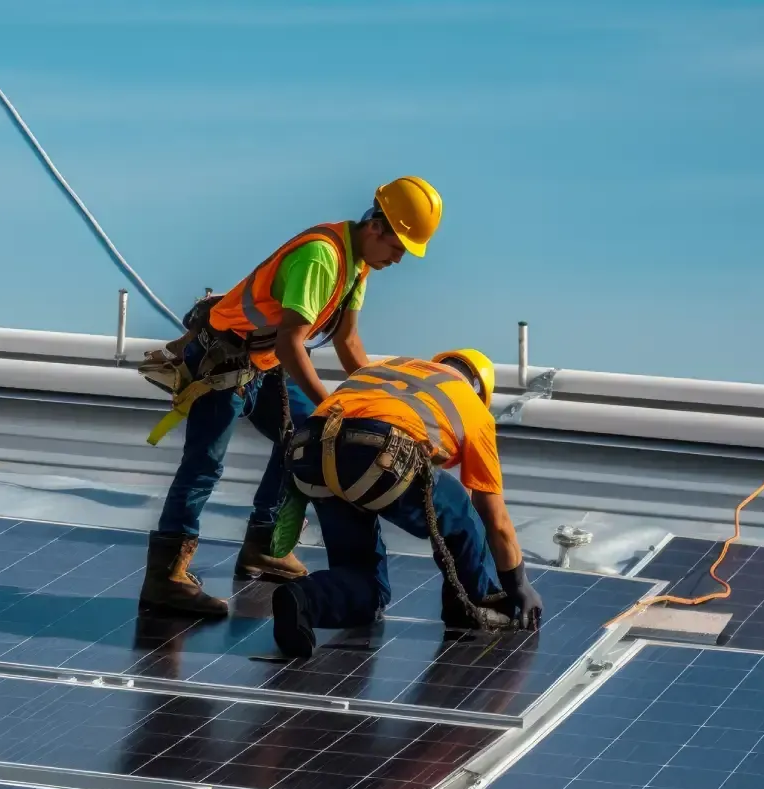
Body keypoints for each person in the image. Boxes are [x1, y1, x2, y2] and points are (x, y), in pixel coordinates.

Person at [138, 176, 445, 619]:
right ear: (377, 226)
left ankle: (263, 546)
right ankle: (165, 576)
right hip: (222, 364)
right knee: (204, 465)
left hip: (260, 366)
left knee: (302, 436)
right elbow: (290, 343)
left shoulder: (357, 265)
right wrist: (330, 406)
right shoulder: (322, 257)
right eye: (399, 247)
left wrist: (377, 401)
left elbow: (348, 343)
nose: (399, 259)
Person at [269, 349, 545, 657]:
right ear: (481, 391)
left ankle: (304, 600)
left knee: (363, 582)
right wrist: (519, 584)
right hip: (377, 450)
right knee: (462, 514)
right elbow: (494, 517)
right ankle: (475, 605)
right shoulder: (473, 408)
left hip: (312, 452)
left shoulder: (385, 367)